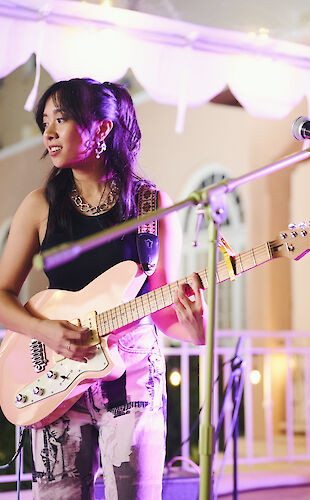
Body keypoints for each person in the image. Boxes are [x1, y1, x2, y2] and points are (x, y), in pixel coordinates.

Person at [0, 78, 206, 499]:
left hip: (131, 381)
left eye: (62, 119)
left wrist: (198, 330)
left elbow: (164, 310)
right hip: (55, 379)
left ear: (103, 129)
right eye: (45, 122)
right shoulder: (40, 206)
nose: (49, 133)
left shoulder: (152, 205)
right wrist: (47, 332)